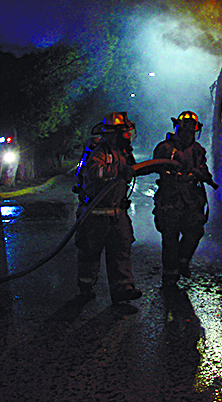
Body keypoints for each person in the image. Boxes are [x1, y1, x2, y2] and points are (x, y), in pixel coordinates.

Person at [74, 112, 143, 305]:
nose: (128, 137)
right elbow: (94, 172)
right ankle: (86, 287)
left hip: (117, 212)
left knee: (121, 251)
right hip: (95, 213)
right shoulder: (100, 151)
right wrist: (118, 171)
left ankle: (123, 289)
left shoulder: (123, 152)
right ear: (116, 133)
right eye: (125, 133)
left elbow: (134, 169)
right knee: (90, 253)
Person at [152, 110, 214, 287]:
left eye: (191, 132)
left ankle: (182, 261)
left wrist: (203, 175)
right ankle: (170, 277)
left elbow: (203, 169)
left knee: (195, 231)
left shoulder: (197, 150)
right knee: (170, 237)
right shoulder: (165, 148)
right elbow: (155, 166)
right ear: (178, 129)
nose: (189, 135)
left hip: (192, 199)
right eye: (186, 131)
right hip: (171, 198)